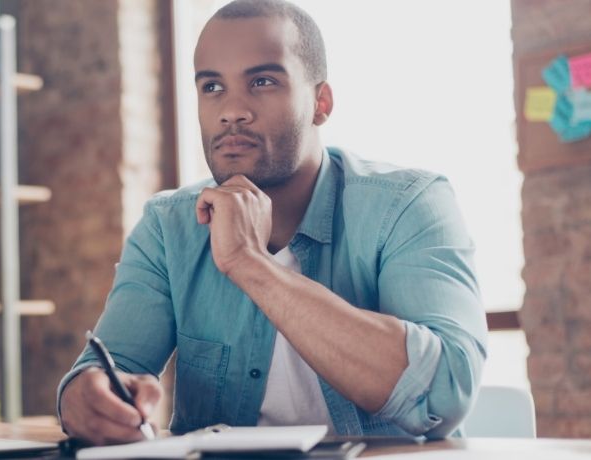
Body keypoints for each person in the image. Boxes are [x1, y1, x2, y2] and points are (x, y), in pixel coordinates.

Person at [57, 0, 487, 446]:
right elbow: (108, 367)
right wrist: (83, 398)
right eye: (212, 87)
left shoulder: (409, 205)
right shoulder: (169, 226)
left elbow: (445, 393)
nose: (232, 110)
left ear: (321, 102)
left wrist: (250, 264)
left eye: (262, 82)